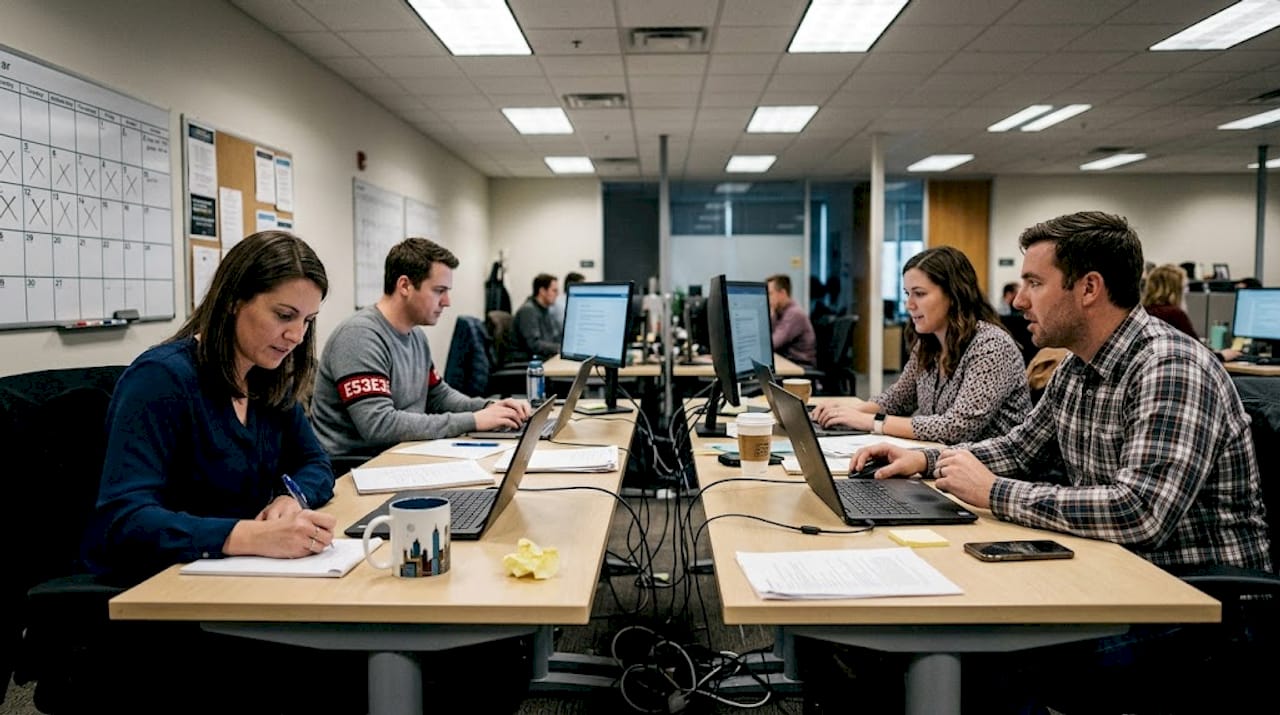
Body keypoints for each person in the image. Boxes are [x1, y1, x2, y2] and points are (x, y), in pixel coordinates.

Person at [856, 211, 1270, 712]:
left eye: (1034, 282)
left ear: (1089, 288)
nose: (1017, 299)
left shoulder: (1170, 366)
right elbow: (1017, 447)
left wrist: (993, 493)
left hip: (1197, 607)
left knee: (990, 662)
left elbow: (1139, 512)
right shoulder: (1078, 366)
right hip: (1116, 577)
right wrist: (923, 459)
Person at [81, 231, 365, 713]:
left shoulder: (267, 376)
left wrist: (289, 499)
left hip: (243, 584)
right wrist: (246, 537)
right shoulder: (162, 381)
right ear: (234, 300)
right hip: (172, 593)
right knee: (348, 670)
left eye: (307, 321)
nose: (296, 336)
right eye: (283, 316)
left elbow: (316, 462)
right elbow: (122, 519)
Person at [311, 238, 530, 464]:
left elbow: (439, 396)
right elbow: (380, 425)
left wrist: (490, 408)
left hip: (402, 455)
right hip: (357, 468)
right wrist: (474, 420)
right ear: (405, 286)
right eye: (439, 291)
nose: (447, 301)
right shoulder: (359, 336)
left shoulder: (415, 335)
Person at [812, 246, 1031, 444]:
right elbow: (898, 400)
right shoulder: (929, 342)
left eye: (919, 294)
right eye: (907, 294)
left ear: (954, 295)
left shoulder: (991, 345)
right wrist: (847, 412)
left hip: (990, 475)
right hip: (945, 464)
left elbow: (957, 428)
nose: (909, 304)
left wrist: (871, 421)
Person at [1143, 262, 1243, 362]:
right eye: (1185, 287)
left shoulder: (1144, 311)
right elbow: (1199, 351)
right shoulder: (1173, 314)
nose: (1186, 292)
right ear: (1174, 290)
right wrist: (1222, 355)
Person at [766, 273, 817, 367]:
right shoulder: (780, 312)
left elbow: (772, 343)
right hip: (789, 362)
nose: (766, 298)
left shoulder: (794, 314)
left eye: (769, 293)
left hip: (801, 366)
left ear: (782, 293)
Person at [511, 272, 562, 360]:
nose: (557, 294)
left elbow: (553, 338)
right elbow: (534, 345)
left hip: (539, 358)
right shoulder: (528, 311)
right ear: (542, 291)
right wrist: (560, 348)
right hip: (526, 360)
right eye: (554, 290)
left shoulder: (545, 310)